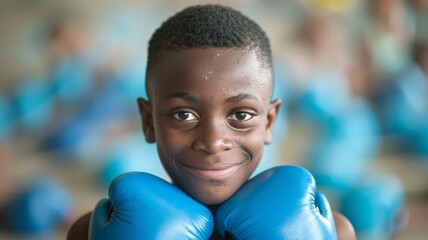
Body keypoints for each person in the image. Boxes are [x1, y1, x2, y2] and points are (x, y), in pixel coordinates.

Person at [67, 4, 355, 239]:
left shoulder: (333, 231)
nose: (213, 142)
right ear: (148, 121)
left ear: (269, 123)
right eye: (184, 115)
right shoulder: (91, 233)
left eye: (241, 115)